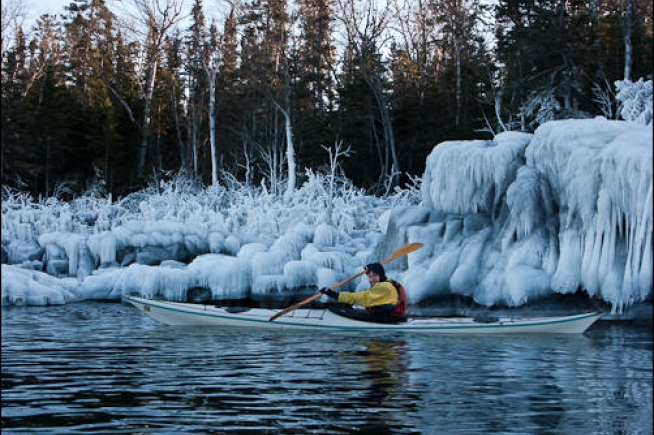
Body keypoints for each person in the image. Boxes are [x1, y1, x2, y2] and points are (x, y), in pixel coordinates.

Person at [320, 262, 407, 322]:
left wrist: (335, 295)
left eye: (375, 276)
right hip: (389, 315)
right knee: (348, 306)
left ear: (381, 274)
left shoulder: (383, 286)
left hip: (387, 318)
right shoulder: (388, 281)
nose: (372, 279)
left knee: (348, 306)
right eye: (370, 276)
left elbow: (363, 297)